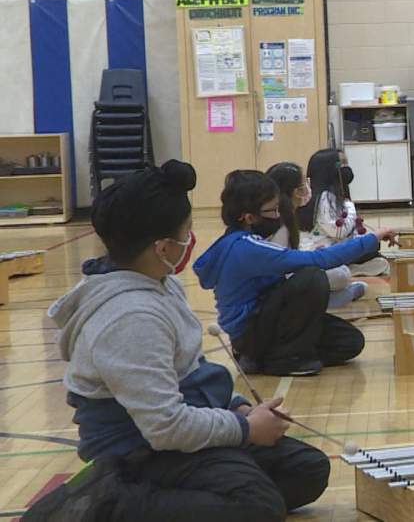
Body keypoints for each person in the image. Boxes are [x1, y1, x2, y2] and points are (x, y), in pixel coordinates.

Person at [28, 160, 328, 522]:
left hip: (175, 433)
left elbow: (190, 373)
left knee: (307, 469)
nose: (190, 240)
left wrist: (238, 408)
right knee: (258, 506)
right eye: (187, 231)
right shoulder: (130, 318)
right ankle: (104, 503)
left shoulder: (160, 282)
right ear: (163, 247)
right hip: (138, 453)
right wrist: (245, 429)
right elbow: (165, 428)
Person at [194, 170, 397, 377]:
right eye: (272, 211)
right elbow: (318, 261)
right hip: (251, 331)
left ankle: (264, 357)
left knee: (349, 342)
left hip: (269, 319)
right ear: (249, 217)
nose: (277, 215)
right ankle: (282, 359)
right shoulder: (245, 248)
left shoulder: (243, 241)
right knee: (311, 277)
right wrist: (372, 238)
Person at [266, 162, 366, 308]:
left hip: (296, 269)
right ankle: (327, 300)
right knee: (340, 274)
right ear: (296, 191)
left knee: (340, 270)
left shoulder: (287, 215)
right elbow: (281, 265)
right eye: (304, 184)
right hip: (283, 286)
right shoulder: (282, 222)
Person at [297, 148, 389, 277]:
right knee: (369, 247)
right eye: (341, 164)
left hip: (332, 250)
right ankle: (346, 269)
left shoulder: (330, 196)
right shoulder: (324, 198)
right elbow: (339, 231)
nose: (346, 168)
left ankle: (350, 268)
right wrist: (350, 206)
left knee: (372, 246)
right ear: (327, 170)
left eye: (347, 163)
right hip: (320, 254)